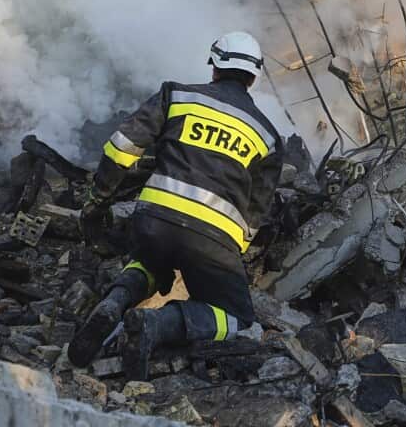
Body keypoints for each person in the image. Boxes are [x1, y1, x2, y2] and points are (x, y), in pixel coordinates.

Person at [67, 31, 284, 378]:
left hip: (153, 220)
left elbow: (121, 147)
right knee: (238, 320)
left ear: (214, 66)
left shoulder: (176, 95)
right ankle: (156, 323)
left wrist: (99, 200)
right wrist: (229, 253)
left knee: (149, 262)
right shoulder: (269, 137)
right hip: (212, 240)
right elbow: (255, 215)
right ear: (254, 77)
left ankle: (114, 303)